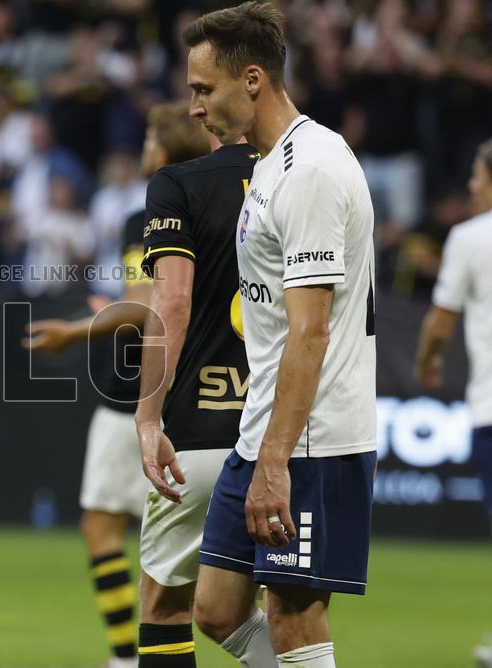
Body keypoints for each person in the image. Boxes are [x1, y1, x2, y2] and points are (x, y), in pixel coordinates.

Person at [148, 4, 377, 667]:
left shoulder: (311, 171)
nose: (194, 107)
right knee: (216, 609)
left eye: (204, 89)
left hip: (309, 439)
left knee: (293, 616)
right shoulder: (271, 163)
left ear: (252, 79)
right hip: (262, 429)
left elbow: (311, 333)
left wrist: (276, 462)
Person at [23, 101, 212, 668]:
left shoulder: (151, 215)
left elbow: (148, 300)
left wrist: (78, 330)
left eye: (151, 135)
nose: (145, 144)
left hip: (134, 390)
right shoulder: (225, 208)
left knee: (104, 529)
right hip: (200, 390)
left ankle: (125, 658)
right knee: (200, 547)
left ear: (164, 148)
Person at [134, 112, 269, 666]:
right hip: (290, 429)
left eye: (201, 90)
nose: (194, 104)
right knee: (256, 613)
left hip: (204, 422)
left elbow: (170, 301)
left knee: (165, 605)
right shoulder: (314, 175)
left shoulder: (178, 185)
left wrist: (148, 417)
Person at [415, 138, 492, 535]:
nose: (472, 186)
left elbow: (440, 322)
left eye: (478, 176)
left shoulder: (470, 237)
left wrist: (426, 362)